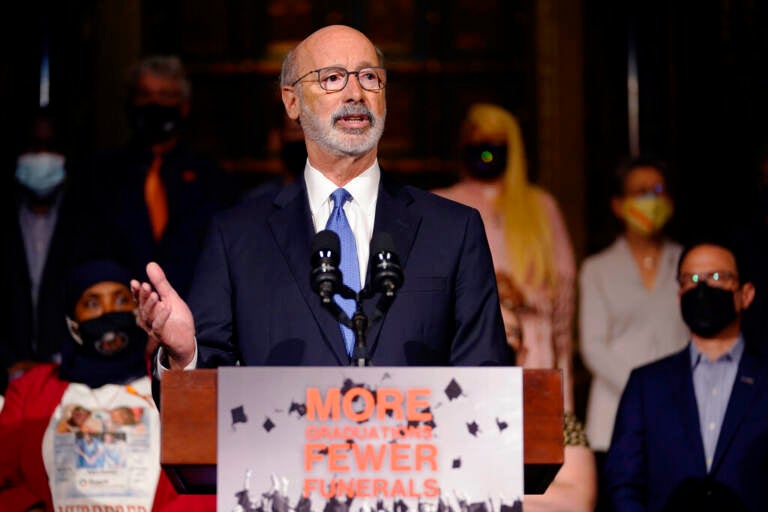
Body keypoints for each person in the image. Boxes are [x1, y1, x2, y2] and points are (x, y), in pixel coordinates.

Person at [131, 25, 512, 371]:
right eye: (332, 78)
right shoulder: (237, 238)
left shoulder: (453, 230)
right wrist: (184, 356)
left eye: (369, 77)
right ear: (291, 101)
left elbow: (485, 380)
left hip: (419, 447)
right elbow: (206, 397)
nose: (355, 94)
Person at [0, 258, 214, 511]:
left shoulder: (168, 380)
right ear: (73, 322)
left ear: (138, 311)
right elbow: (5, 480)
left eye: (121, 300)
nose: (108, 313)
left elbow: (205, 481)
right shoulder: (30, 390)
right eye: (92, 303)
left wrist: (179, 358)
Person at [603, 240, 768, 512]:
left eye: (717, 277)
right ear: (679, 295)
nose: (702, 289)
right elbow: (623, 480)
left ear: (745, 294)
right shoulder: (646, 385)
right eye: (690, 279)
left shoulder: (763, 379)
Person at [432, 103, 576, 410]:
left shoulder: (541, 207)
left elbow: (564, 296)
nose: (485, 146)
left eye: (495, 137)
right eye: (477, 136)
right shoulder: (440, 204)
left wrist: (524, 295)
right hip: (465, 350)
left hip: (535, 352)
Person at [83, 55, 240, 299]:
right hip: (119, 316)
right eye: (145, 95)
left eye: (165, 96)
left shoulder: (213, 181)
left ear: (184, 106)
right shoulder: (99, 175)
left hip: (194, 315)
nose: (154, 104)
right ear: (131, 103)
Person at [578, 157, 689, 487]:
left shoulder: (686, 262)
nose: (650, 200)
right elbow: (593, 347)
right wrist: (646, 391)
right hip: (615, 414)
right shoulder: (598, 269)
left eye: (657, 191)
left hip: (679, 412)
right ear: (618, 204)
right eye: (640, 192)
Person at [1, 107, 98, 386]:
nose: (42, 157)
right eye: (34, 146)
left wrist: (59, 361)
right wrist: (8, 362)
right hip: (5, 377)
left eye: (49, 147)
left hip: (70, 376)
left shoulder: (88, 222)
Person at [499, 276, 597, 512]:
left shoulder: (554, 418)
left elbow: (578, 501)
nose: (502, 340)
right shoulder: (443, 413)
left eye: (511, 333)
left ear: (523, 354)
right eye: (492, 330)